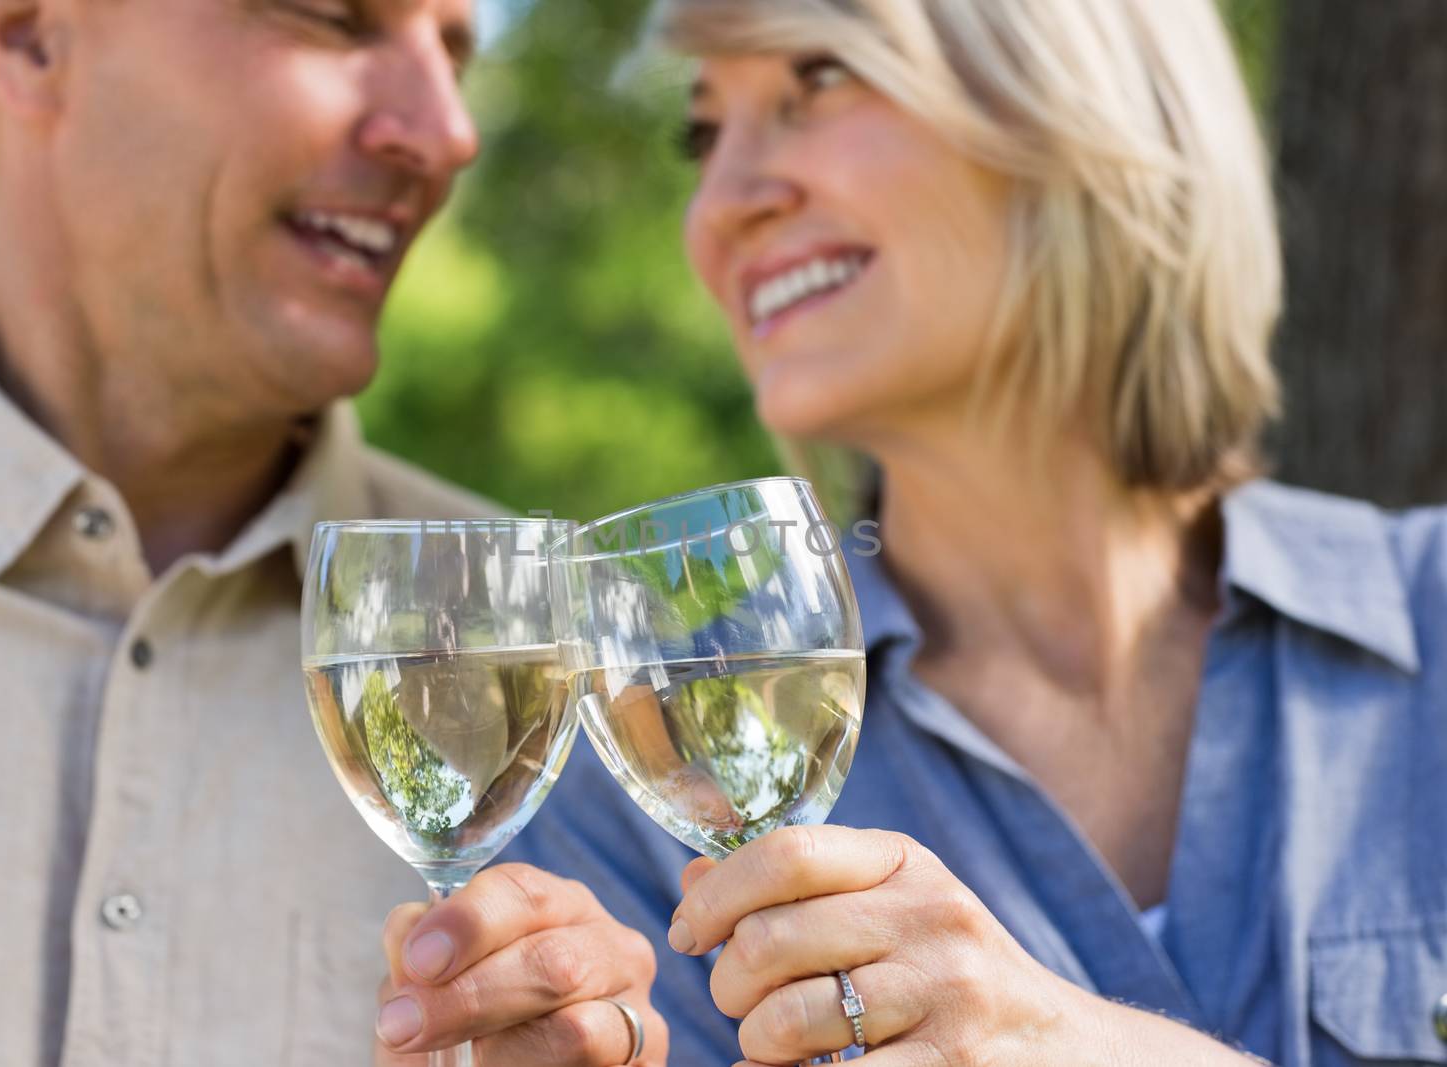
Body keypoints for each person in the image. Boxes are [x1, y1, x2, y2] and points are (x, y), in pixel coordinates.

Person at [500, 0, 1447, 1064]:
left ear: (1072, 101)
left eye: (816, 82)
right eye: (703, 133)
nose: (719, 205)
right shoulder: (640, 788)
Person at [0, 1, 663, 1063]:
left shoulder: (577, 665)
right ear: (25, 32)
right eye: (333, 18)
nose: (450, 130)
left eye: (455, 49)